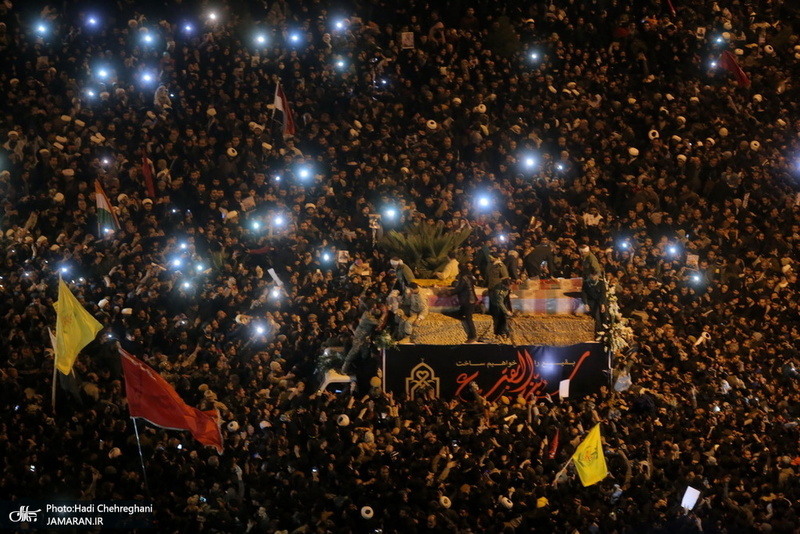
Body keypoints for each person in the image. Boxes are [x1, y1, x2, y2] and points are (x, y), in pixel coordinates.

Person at [341, 302, 386, 374]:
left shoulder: (369, 313)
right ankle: (344, 369)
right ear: (371, 308)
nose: (375, 309)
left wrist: (382, 309)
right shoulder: (367, 317)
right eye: (374, 308)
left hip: (365, 337)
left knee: (365, 354)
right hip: (359, 337)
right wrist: (383, 314)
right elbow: (378, 322)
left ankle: (363, 369)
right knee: (353, 352)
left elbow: (377, 312)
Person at [451, 264, 478, 343]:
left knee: (469, 318)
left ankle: (473, 336)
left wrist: (450, 293)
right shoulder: (470, 275)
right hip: (471, 299)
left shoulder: (463, 277)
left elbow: (459, 289)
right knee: (460, 314)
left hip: (467, 300)